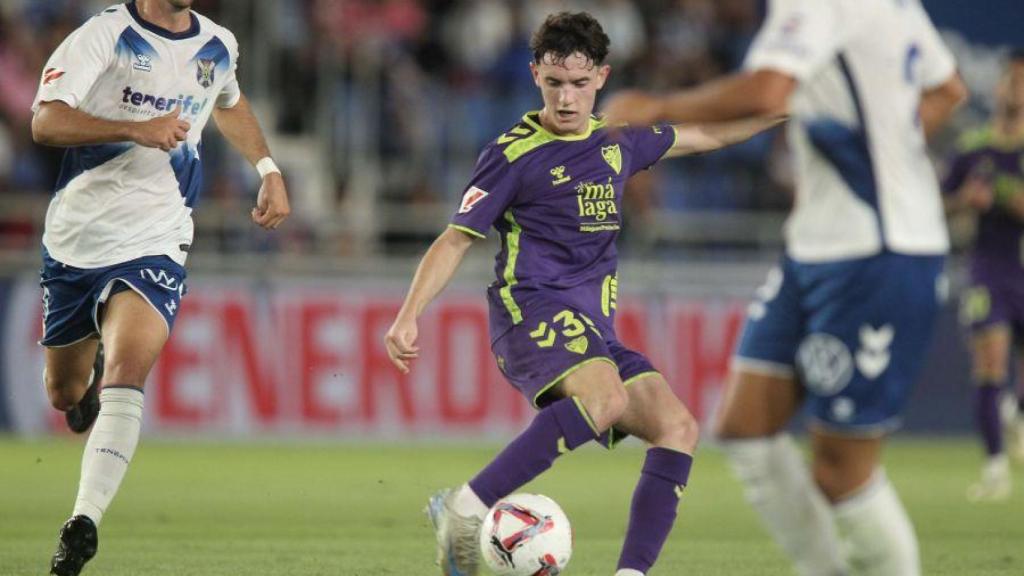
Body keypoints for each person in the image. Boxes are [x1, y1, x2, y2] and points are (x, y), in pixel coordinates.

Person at [384, 12, 782, 576]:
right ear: (534, 77)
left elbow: (710, 134)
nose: (566, 98)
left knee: (678, 428)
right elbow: (455, 239)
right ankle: (465, 508)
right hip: (530, 309)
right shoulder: (512, 154)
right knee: (607, 400)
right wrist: (409, 315)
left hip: (593, 329)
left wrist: (784, 109)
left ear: (601, 77)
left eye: (577, 83)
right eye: (553, 83)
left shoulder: (617, 140)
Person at [603, 1, 966, 575]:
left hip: (877, 252)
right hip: (816, 248)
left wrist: (656, 107)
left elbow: (770, 90)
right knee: (744, 429)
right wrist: (884, 153)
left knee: (841, 472)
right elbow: (948, 90)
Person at [31, 1, 290, 574]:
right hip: (77, 240)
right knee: (64, 393)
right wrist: (135, 127)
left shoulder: (218, 44)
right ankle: (86, 380)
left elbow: (229, 100)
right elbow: (45, 121)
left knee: (131, 368)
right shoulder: (105, 35)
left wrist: (267, 168)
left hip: (158, 237)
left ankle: (83, 522)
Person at [944, 50, 1024, 502]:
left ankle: (1015, 416)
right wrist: (963, 201)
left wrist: (1011, 199)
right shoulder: (973, 146)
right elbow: (940, 201)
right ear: (998, 86)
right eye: (1011, 79)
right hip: (988, 268)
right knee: (990, 363)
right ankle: (995, 468)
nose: (1016, 88)